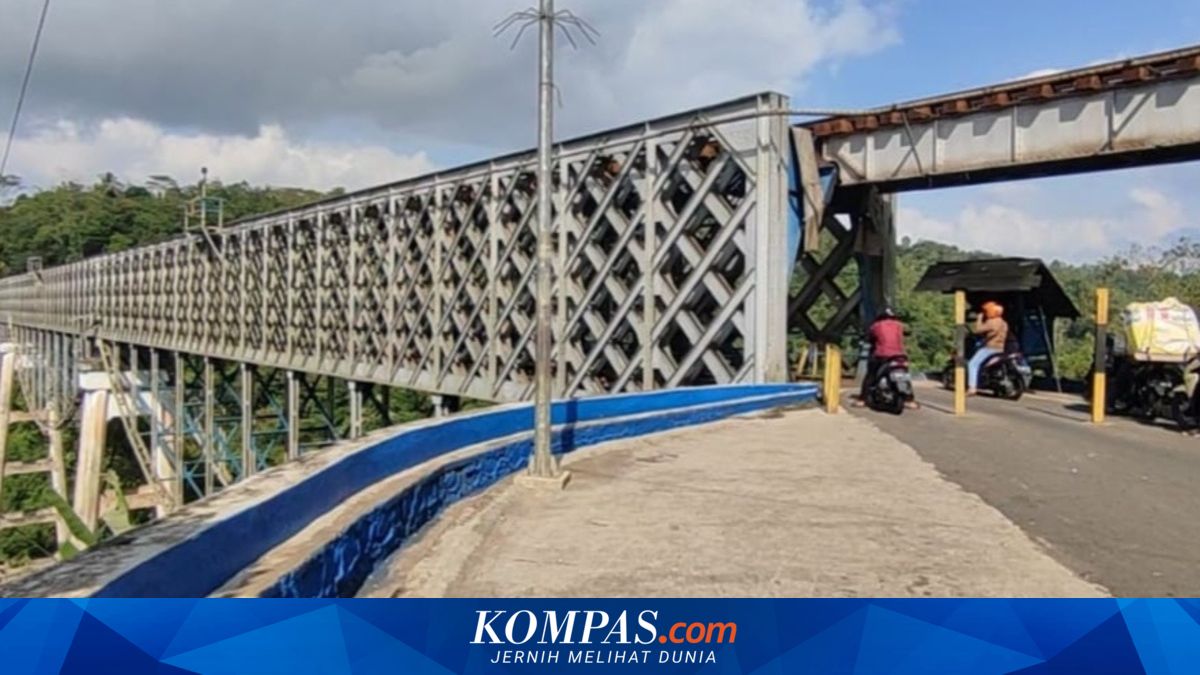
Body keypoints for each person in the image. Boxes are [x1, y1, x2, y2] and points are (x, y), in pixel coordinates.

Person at [856, 307, 916, 408]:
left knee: (871, 375)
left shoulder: (876, 326)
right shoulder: (900, 325)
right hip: (900, 356)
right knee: (904, 376)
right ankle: (910, 400)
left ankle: (862, 399)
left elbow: (869, 338)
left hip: (882, 355)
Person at [968, 301, 1009, 395]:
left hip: (990, 348)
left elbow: (977, 330)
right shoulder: (1004, 323)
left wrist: (979, 319)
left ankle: (972, 387)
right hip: (1000, 348)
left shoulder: (991, 322)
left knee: (972, 364)